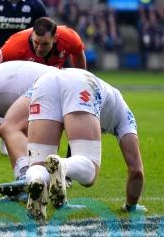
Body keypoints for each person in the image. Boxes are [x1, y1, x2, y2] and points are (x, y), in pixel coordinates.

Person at [23, 68, 145, 220]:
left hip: (45, 82)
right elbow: (136, 170)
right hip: (81, 84)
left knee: (38, 164)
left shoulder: (115, 103)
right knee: (89, 170)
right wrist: (131, 206)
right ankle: (62, 165)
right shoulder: (126, 119)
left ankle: (37, 181)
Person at [0, 17, 86, 69]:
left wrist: (81, 79)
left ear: (55, 38)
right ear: (32, 35)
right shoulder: (13, 47)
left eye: (45, 44)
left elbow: (78, 53)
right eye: (36, 42)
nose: (39, 49)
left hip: (53, 79)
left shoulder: (70, 38)